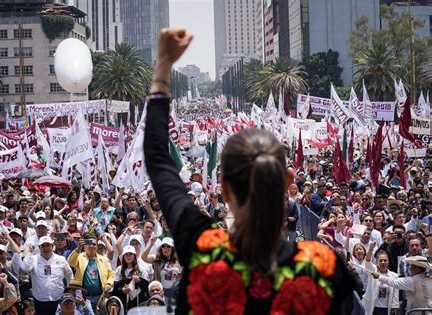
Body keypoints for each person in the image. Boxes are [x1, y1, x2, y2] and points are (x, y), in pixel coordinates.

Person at [143, 28, 355, 314]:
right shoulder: (322, 266)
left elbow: (159, 160)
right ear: (288, 182)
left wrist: (163, 67)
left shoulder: (205, 248)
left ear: (224, 188)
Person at [20, 236, 73, 314]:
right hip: (40, 300)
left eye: (48, 245)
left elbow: (69, 274)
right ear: (39, 247)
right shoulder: (33, 259)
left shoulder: (61, 259)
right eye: (43, 246)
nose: (46, 248)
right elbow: (24, 268)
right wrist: (30, 252)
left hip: (58, 298)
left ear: (52, 246)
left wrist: (69, 291)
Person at [67, 236, 115, 310]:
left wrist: (109, 284)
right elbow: (70, 262)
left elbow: (111, 275)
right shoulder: (80, 256)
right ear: (85, 246)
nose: (92, 246)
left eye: (94, 244)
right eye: (89, 243)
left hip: (100, 297)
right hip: (82, 297)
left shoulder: (104, 259)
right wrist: (78, 249)